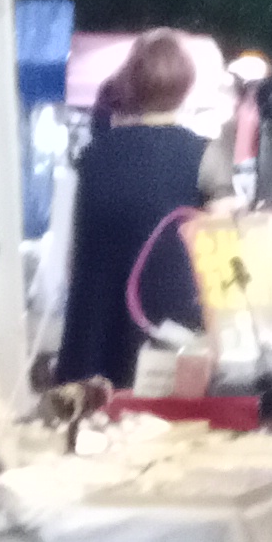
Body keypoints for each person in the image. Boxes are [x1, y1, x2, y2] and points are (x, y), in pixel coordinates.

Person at [55, 33, 210, 391]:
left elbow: (69, 263)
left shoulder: (92, 157)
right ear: (185, 85)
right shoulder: (205, 156)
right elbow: (223, 253)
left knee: (96, 422)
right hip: (172, 339)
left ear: (131, 84)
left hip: (93, 340)